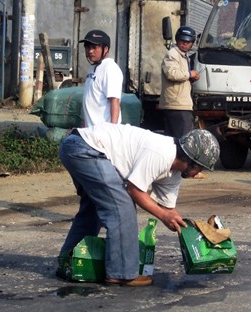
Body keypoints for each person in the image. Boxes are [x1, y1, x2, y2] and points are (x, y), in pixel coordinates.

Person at [57, 123, 220, 286]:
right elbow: (134, 190)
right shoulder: (161, 153)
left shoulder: (175, 173)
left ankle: (68, 260)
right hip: (84, 148)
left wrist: (189, 231)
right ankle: (121, 273)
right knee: (121, 208)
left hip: (82, 147)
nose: (199, 173)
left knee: (93, 210)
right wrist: (164, 216)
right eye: (200, 167)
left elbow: (168, 208)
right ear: (191, 160)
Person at [159, 26, 200, 138]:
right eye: (183, 41)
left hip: (180, 104)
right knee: (184, 140)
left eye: (188, 42)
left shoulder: (184, 56)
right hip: (176, 105)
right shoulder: (172, 54)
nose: (185, 44)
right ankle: (181, 156)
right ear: (177, 40)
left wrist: (191, 78)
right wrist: (189, 74)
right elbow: (172, 73)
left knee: (175, 140)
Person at [78, 30, 124, 127]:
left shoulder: (110, 68)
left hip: (103, 133)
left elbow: (114, 101)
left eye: (94, 47)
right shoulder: (94, 68)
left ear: (106, 49)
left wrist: (112, 130)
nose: (90, 51)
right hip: (92, 131)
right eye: (88, 47)